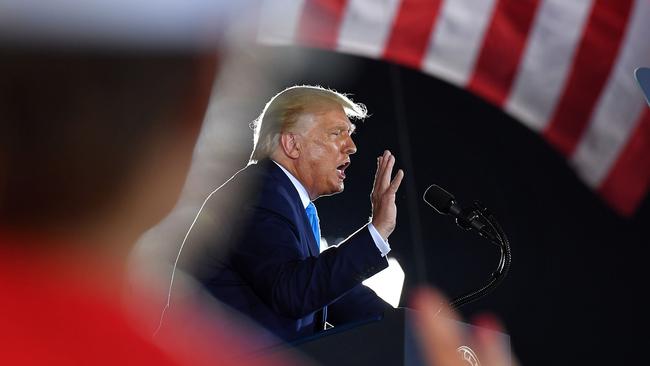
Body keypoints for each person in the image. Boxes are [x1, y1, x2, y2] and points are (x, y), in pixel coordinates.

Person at [176, 85, 405, 342]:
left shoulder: (285, 198)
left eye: (349, 134)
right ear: (292, 144)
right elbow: (293, 291)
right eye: (336, 133)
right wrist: (377, 231)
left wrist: (412, 329)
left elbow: (333, 295)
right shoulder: (256, 192)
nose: (351, 146)